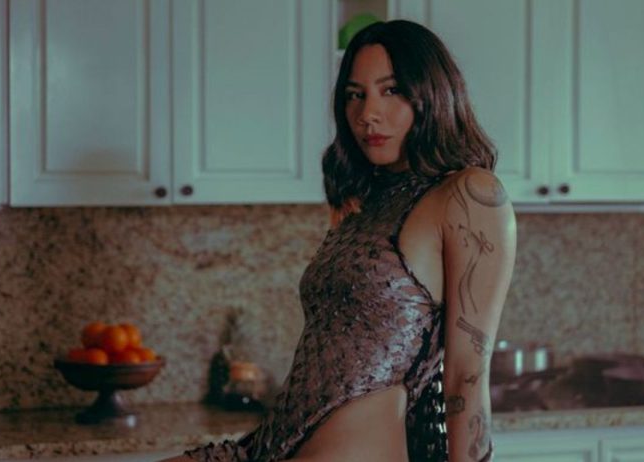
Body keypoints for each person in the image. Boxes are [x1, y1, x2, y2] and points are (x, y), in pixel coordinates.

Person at [168, 19, 516, 462]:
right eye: (355, 94)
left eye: (391, 90)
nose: (367, 113)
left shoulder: (469, 194)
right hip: (265, 448)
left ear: (433, 92)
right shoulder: (364, 201)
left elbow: (467, 372)